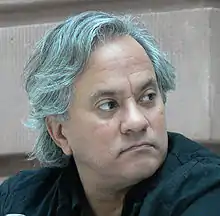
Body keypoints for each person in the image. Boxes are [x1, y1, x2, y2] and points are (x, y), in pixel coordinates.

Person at [1, 10, 220, 216]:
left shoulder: (206, 192)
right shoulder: (21, 200)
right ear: (60, 133)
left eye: (148, 97)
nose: (137, 121)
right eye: (108, 105)